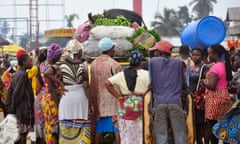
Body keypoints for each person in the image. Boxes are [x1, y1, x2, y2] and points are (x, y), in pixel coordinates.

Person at [105, 50, 150, 144]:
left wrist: (118, 97)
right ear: (140, 62)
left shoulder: (121, 75)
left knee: (126, 133)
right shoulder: (147, 74)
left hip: (126, 105)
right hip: (142, 105)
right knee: (142, 131)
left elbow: (107, 83)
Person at [149, 40, 187, 144]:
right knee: (179, 133)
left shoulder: (152, 62)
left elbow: (150, 81)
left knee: (161, 134)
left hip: (159, 102)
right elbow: (184, 84)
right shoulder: (179, 63)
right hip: (175, 101)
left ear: (159, 51)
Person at [58, 39, 92, 144]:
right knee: (83, 131)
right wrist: (91, 103)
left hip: (66, 99)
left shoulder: (61, 65)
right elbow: (86, 86)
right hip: (81, 100)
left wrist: (60, 87)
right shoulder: (84, 65)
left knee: (66, 131)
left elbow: (54, 78)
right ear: (79, 51)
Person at [90, 37, 121, 144]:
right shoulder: (115, 65)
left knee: (99, 129)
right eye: (113, 47)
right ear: (110, 49)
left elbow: (92, 83)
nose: (114, 49)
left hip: (98, 101)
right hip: (113, 101)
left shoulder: (94, 64)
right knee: (117, 129)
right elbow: (119, 84)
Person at [202, 44, 233, 144]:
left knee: (212, 126)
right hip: (225, 95)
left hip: (214, 98)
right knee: (224, 125)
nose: (208, 56)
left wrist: (204, 82)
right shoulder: (225, 65)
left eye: (209, 54)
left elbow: (212, 86)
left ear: (215, 54)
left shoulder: (215, 68)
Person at [5, 49, 34, 144]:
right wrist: (13, 109)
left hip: (20, 109)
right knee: (22, 135)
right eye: (30, 60)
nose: (32, 62)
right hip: (22, 111)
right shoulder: (22, 75)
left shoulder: (18, 73)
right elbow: (17, 94)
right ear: (24, 62)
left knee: (20, 134)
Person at [41, 43, 64, 144]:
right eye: (59, 55)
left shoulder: (43, 65)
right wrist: (58, 105)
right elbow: (52, 89)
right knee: (53, 128)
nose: (60, 57)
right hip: (52, 100)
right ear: (55, 55)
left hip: (46, 99)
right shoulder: (50, 68)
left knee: (49, 127)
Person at [189, 48, 209, 144]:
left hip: (200, 99)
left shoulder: (204, 68)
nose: (195, 57)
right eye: (193, 55)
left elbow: (207, 83)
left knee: (203, 124)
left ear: (202, 57)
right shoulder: (190, 68)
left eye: (197, 55)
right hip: (191, 98)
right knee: (195, 123)